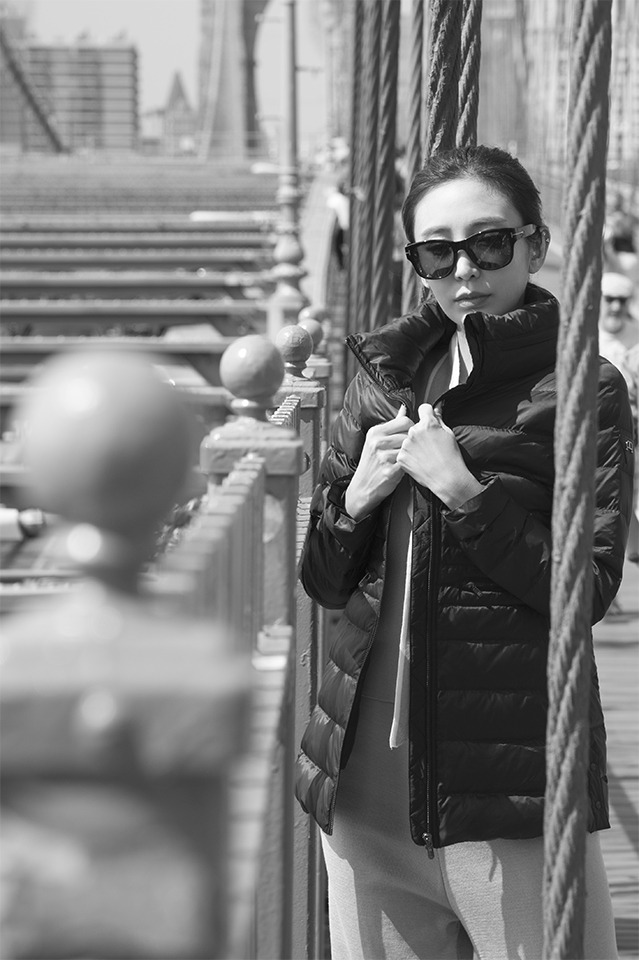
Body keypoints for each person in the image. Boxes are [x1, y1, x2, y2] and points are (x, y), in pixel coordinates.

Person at [295, 145, 634, 960]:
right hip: (361, 796)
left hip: (508, 797)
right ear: (413, 261)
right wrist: (355, 502)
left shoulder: (583, 387)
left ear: (535, 243)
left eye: (489, 243)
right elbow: (323, 577)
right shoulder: (380, 377)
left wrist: (464, 495)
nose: (463, 269)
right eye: (436, 251)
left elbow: (583, 591)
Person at [598, 271, 639, 371]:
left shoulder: (636, 338)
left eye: (622, 300)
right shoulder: (585, 336)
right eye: (609, 299)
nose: (616, 307)